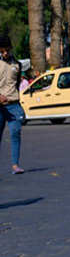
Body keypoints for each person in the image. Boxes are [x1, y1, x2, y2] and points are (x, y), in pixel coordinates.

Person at [0, 38, 22, 174]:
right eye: (3, 51)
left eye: (7, 50)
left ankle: (15, 165)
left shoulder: (17, 65)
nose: (6, 53)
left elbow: (17, 85)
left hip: (14, 105)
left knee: (15, 133)